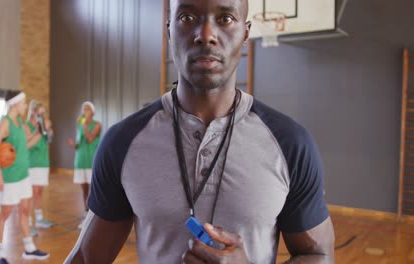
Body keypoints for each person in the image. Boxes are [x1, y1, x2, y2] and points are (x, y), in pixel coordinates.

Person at [65, 0, 335, 263]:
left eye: (225, 19)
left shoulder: (290, 144)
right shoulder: (122, 142)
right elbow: (87, 257)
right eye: (188, 18)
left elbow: (318, 254)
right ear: (169, 30)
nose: (206, 35)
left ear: (246, 33)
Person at [0, 91, 50, 264]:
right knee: (5, 214)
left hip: (24, 176)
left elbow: (25, 145)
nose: (25, 106)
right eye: (23, 103)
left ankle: (29, 248)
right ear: (15, 104)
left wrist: (39, 133)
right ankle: (0, 254)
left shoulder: (19, 123)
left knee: (24, 211)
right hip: (10, 178)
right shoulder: (5, 123)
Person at [66, 101, 101, 228]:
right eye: (83, 109)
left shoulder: (97, 125)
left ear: (92, 112)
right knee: (84, 191)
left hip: (91, 161)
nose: (84, 112)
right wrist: (73, 144)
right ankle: (86, 218)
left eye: (86, 109)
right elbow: (78, 144)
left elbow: (91, 138)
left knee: (94, 191)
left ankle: (95, 218)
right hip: (80, 161)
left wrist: (84, 125)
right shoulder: (80, 126)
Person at [26, 100, 54, 232]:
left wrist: (49, 132)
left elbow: (49, 141)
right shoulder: (26, 126)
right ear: (33, 112)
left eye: (43, 113)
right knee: (32, 192)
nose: (42, 115)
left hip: (43, 162)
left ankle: (39, 219)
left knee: (40, 191)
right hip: (32, 163)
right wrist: (39, 130)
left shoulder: (44, 125)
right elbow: (26, 144)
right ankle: (29, 223)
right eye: (39, 112)